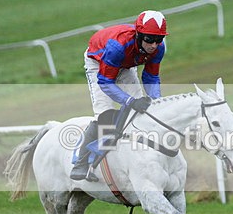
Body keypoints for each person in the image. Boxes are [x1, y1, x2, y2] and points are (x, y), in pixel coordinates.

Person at [70, 10, 167, 181]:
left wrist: (157, 101)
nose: (153, 45)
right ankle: (82, 161)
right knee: (105, 116)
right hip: (99, 64)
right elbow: (105, 82)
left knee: (142, 111)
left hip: (127, 64)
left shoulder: (159, 48)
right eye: (149, 39)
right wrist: (129, 101)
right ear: (138, 35)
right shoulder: (118, 46)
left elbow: (151, 77)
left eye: (158, 40)